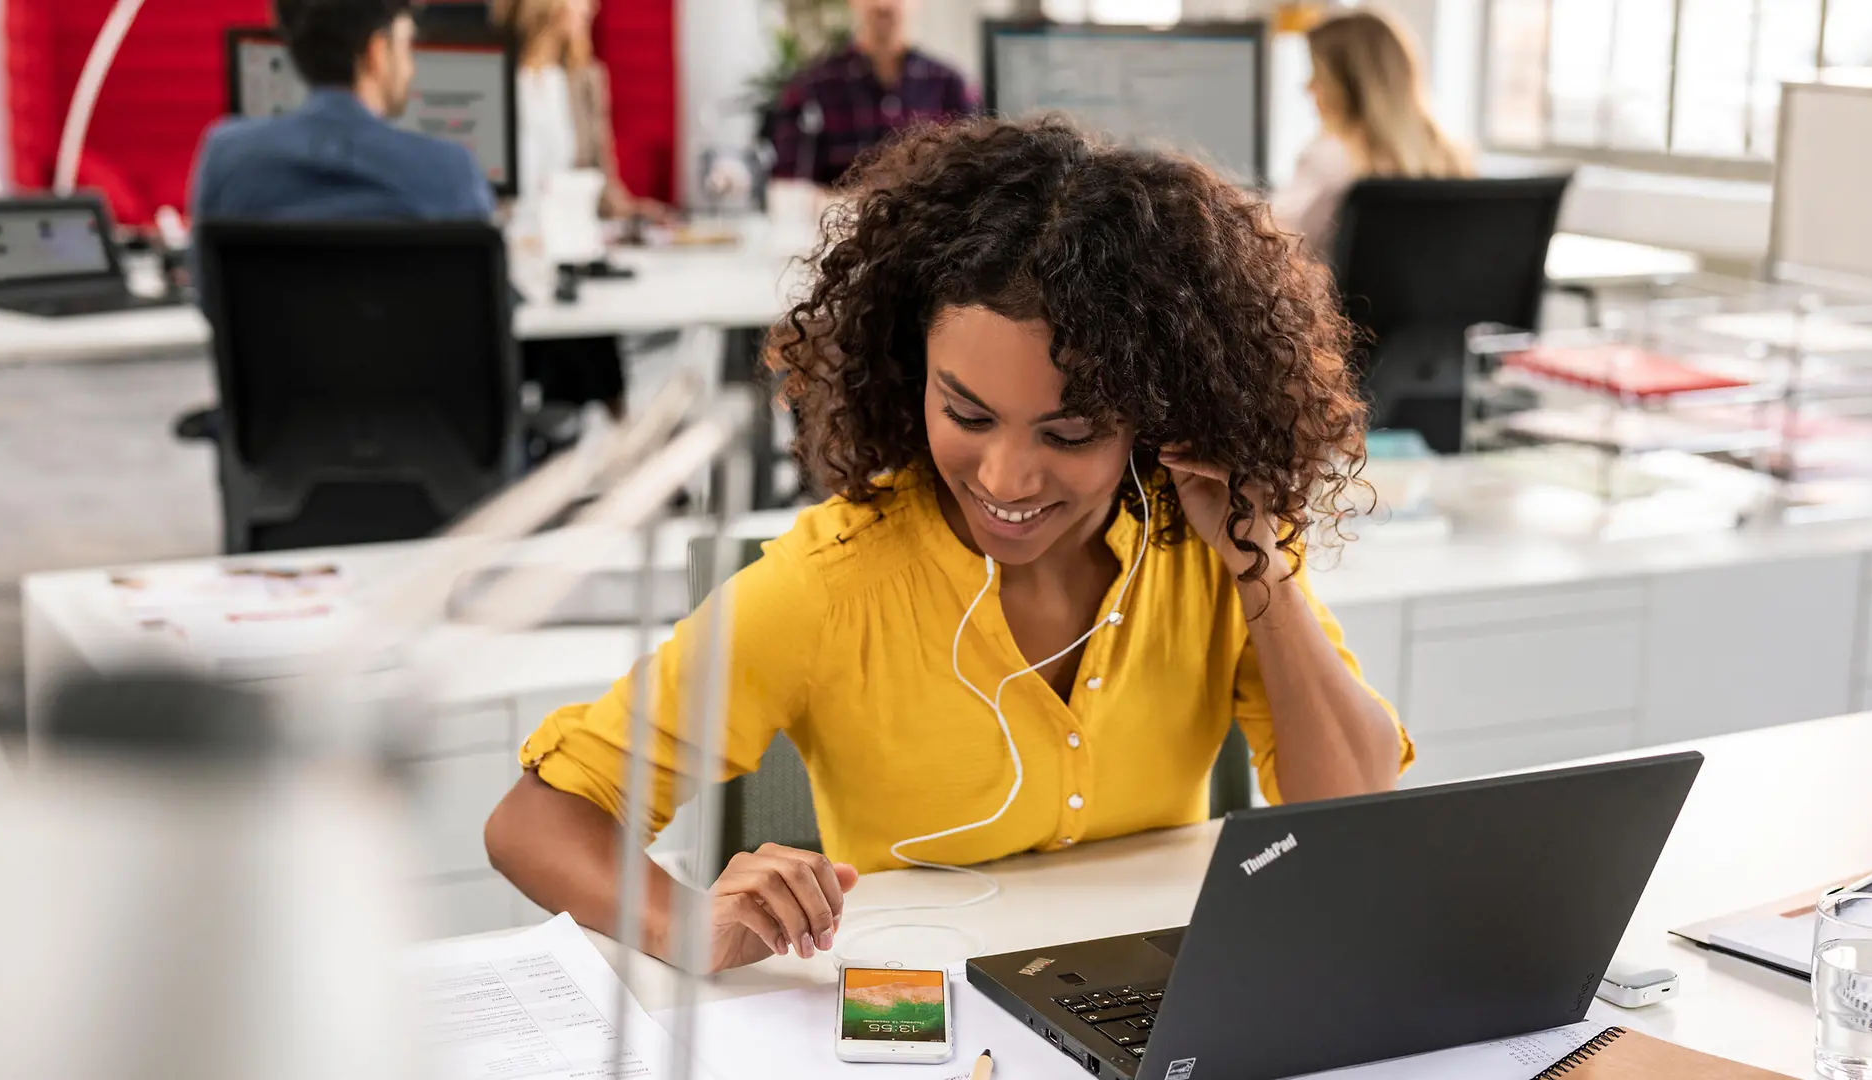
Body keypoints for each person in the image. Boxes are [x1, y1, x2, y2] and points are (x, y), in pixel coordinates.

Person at [484, 117, 1413, 973]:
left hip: (1154, 1002)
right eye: (966, 413)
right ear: (908, 370)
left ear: (1155, 415)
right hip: (920, 1016)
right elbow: (537, 820)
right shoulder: (830, 586)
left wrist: (1259, 561)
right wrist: (686, 927)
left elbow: (1353, 822)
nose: (1006, 479)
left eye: (1069, 432)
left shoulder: (1202, 551)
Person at [494, 0, 666, 420]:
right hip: (510, 255)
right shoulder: (491, 75)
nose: (591, 10)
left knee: (583, 349)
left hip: (565, 256)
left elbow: (603, 185)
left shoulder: (584, 78)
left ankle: (596, 458)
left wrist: (639, 212)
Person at [190, 0, 491, 221]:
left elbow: (212, 295)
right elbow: (484, 299)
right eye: (406, 47)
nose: (411, 69)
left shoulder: (227, 159)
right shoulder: (451, 173)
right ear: (376, 52)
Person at [1272, 8, 1469, 263]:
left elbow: (1270, 248)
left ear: (1349, 85)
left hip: (1342, 303)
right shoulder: (1451, 161)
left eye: (1318, 75)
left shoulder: (1330, 159)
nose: (1308, 87)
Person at [768, 0, 979, 188]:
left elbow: (971, 177)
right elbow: (789, 186)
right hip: (838, 224)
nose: (883, 5)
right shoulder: (810, 88)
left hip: (926, 227)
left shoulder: (951, 85)